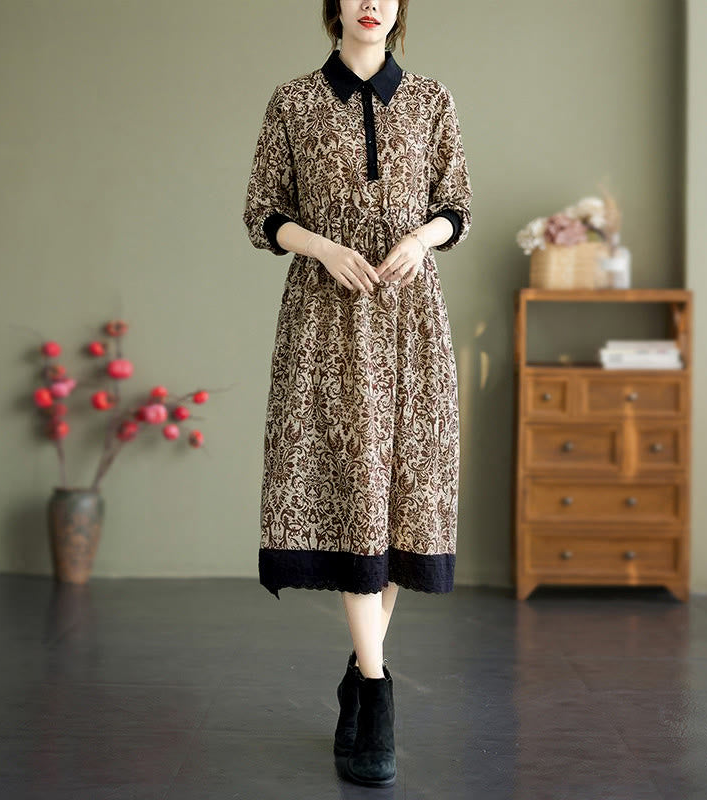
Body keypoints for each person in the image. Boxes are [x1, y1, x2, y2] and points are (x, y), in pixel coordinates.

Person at [243, 0, 472, 788]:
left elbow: (456, 207)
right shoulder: (294, 101)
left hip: (410, 316)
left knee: (397, 492)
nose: (372, 0)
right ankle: (375, 689)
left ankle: (361, 671)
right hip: (326, 317)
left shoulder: (432, 98)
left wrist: (420, 238)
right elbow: (263, 214)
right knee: (350, 487)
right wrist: (322, 247)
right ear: (333, 5)